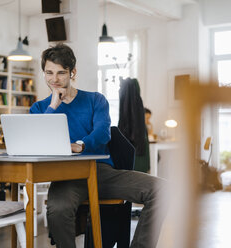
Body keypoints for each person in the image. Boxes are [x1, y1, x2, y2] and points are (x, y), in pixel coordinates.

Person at [29, 43, 167, 248]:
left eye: (61, 73)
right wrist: (53, 106)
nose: (54, 79)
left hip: (100, 172)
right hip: (65, 176)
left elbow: (102, 133)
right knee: (57, 210)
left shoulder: (95, 100)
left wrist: (80, 145)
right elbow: (40, 141)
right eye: (49, 73)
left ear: (72, 72)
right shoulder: (40, 108)